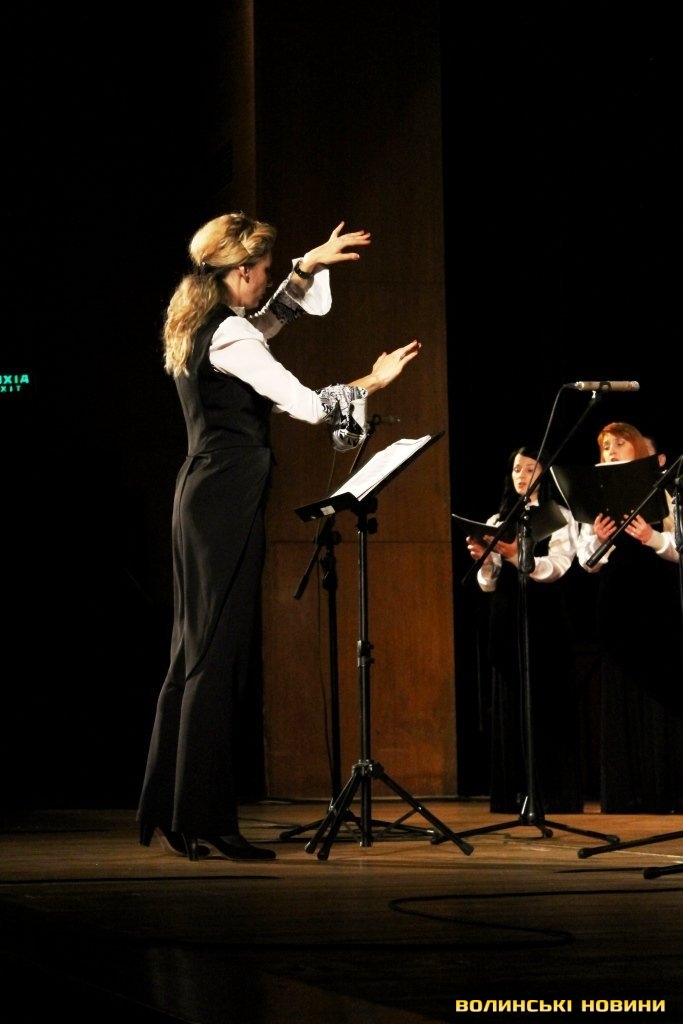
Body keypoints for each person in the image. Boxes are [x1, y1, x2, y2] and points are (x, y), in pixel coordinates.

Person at [137, 212, 421, 861]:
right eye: (264, 272)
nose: (266, 282)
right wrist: (373, 381)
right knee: (216, 654)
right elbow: (309, 405)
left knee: (194, 652)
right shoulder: (229, 333)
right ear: (240, 271)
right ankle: (204, 816)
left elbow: (263, 325)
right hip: (224, 499)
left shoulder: (205, 322)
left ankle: (175, 809)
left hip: (203, 493)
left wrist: (306, 268)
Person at [465, 446, 584, 815]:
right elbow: (488, 584)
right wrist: (485, 561)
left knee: (546, 703)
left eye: (530, 468)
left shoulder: (559, 515)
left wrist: (518, 555)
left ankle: (551, 793)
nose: (521, 475)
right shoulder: (498, 518)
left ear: (544, 473)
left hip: (544, 618)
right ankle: (512, 792)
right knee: (511, 702)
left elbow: (559, 566)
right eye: (516, 468)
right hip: (506, 618)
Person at [576, 421, 683, 813]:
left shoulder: (665, 492)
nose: (611, 450)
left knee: (661, 686)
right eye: (606, 446)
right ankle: (626, 792)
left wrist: (651, 538)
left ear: (638, 448)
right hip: (617, 598)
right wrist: (599, 538)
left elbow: (680, 548)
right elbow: (585, 562)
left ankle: (665, 790)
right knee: (621, 687)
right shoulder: (596, 495)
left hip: (658, 598)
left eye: (620, 444)